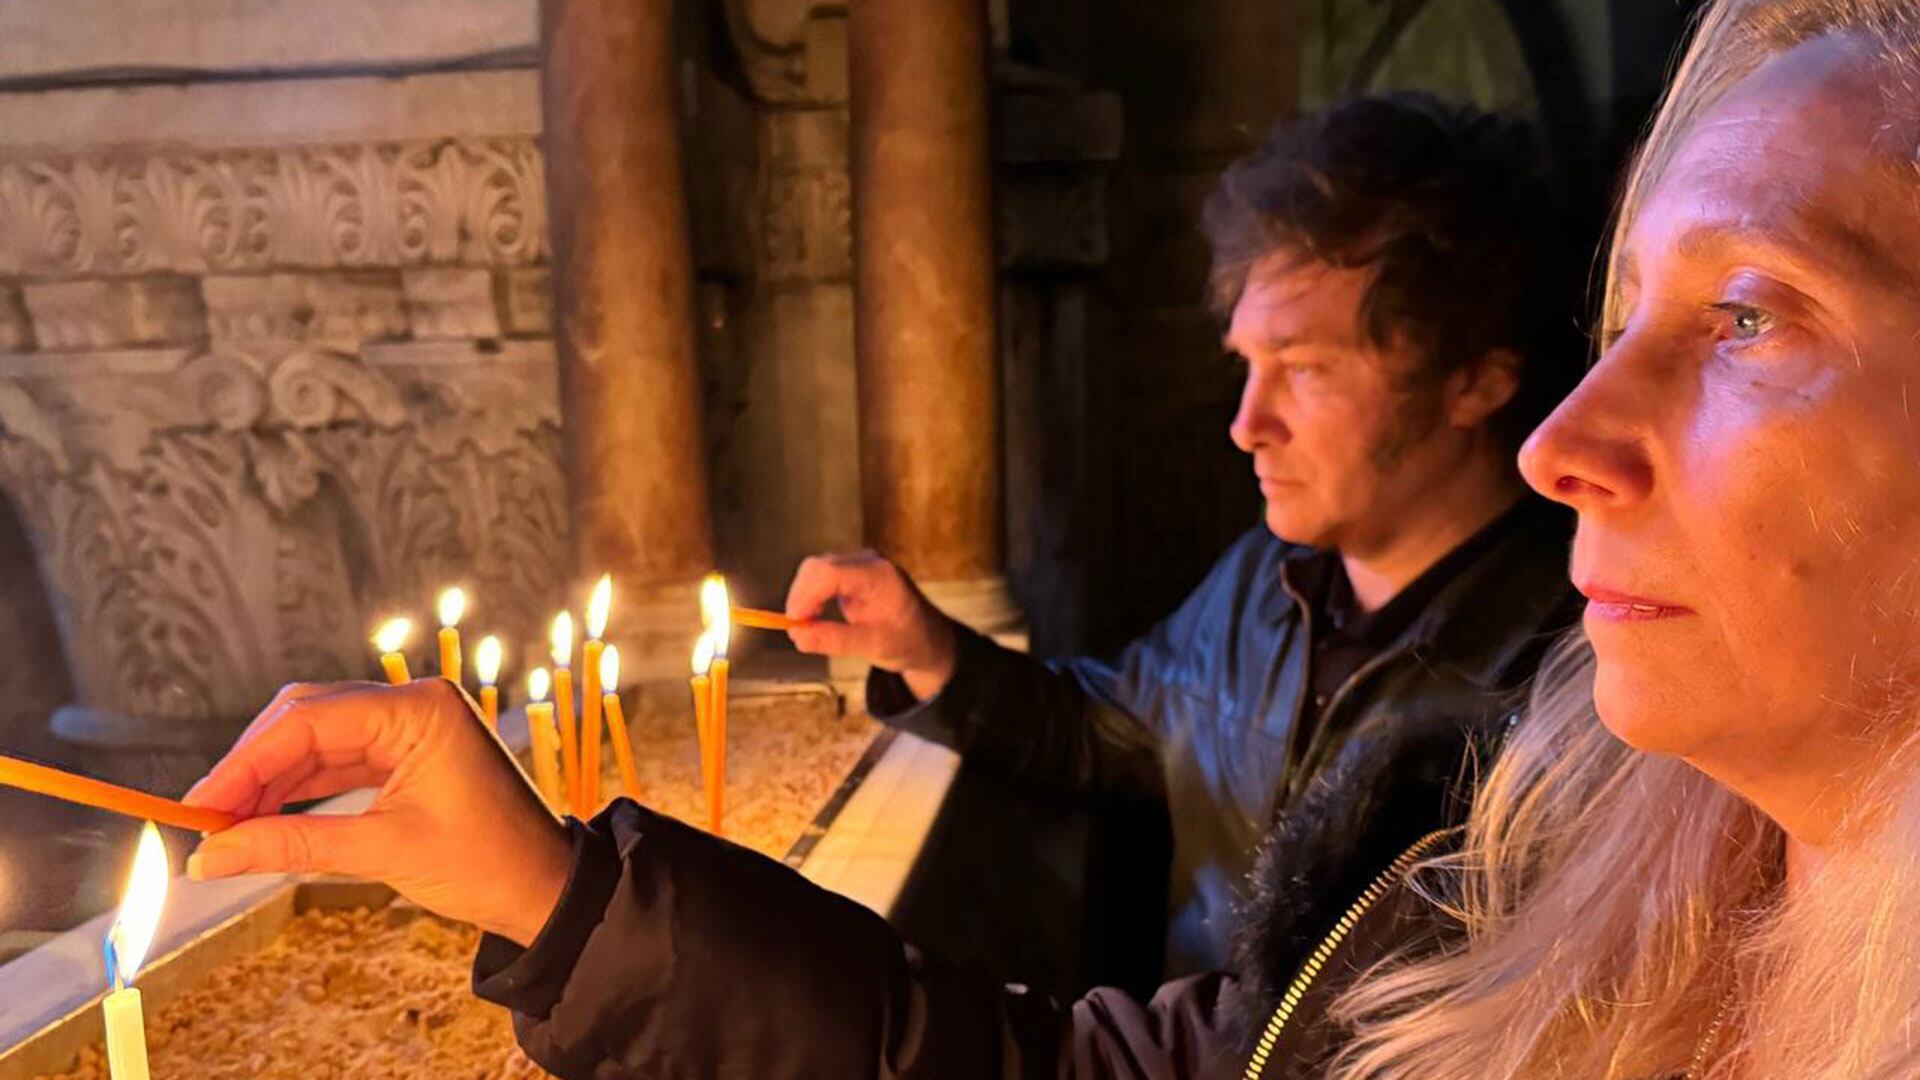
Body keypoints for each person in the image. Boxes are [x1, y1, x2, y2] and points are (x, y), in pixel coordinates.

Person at [181, 1, 1920, 1075]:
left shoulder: (1531, 704)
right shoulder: (1513, 888)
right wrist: (563, 893)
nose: (1571, 442)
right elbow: (1134, 737)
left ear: (1470, 379)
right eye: (1626, 323)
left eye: (1754, 320)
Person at [781, 92, 1587, 979]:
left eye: (1307, 369)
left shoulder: (1566, 679)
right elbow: (1118, 731)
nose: (1248, 424)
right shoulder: (1267, 580)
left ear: (1476, 382)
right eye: (1247, 365)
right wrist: (927, 647)